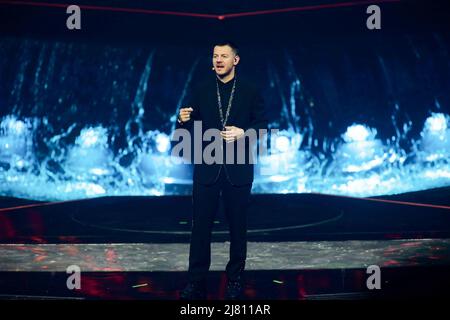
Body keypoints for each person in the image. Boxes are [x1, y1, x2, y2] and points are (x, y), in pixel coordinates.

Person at [175, 41, 268, 300]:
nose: (218, 60)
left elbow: (262, 125)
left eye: (224, 56)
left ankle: (235, 280)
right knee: (200, 229)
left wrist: (244, 133)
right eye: (215, 56)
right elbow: (187, 129)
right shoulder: (201, 89)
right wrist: (180, 121)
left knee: (238, 228)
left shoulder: (250, 90)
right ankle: (196, 282)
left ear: (235, 60)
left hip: (238, 169)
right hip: (207, 168)